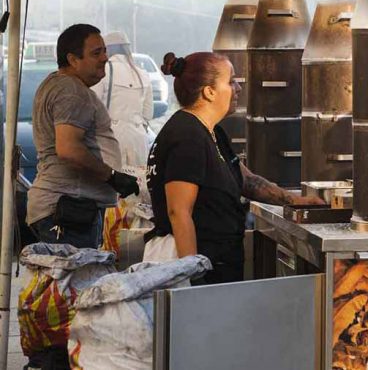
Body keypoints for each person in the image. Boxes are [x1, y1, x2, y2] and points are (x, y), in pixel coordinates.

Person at [145, 52, 322, 284]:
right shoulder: (187, 137)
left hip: (221, 263)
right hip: (200, 270)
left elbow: (247, 181)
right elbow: (179, 212)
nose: (238, 88)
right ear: (209, 92)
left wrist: (294, 200)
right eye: (230, 81)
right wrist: (190, 274)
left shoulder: (211, 131)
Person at [27, 23, 140, 248]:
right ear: (72, 59)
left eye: (104, 51)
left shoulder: (56, 84)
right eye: (96, 53)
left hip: (62, 206)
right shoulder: (72, 91)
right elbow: (68, 149)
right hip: (67, 210)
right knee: (80, 281)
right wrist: (111, 176)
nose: (105, 58)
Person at [91, 31, 153, 172]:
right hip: (139, 139)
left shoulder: (103, 71)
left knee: (114, 184)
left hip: (112, 136)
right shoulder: (142, 73)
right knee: (137, 185)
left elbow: (93, 106)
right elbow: (148, 113)